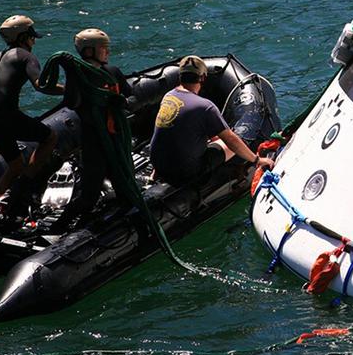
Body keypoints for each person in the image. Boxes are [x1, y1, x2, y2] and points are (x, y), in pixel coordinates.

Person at [46, 28, 132, 233]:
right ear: (90, 51)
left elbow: (129, 97)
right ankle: (59, 227)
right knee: (89, 194)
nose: (108, 53)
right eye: (104, 49)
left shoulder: (113, 73)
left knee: (124, 186)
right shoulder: (79, 77)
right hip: (94, 141)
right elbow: (72, 102)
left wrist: (119, 102)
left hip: (116, 140)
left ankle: (122, 221)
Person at [0, 15, 62, 217]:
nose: (34, 41)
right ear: (23, 37)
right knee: (50, 136)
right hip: (8, 117)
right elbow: (41, 86)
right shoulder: (26, 56)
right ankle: (26, 182)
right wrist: (70, 90)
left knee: (14, 165)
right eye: (32, 37)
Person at [149, 56, 274, 185]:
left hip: (158, 164)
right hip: (184, 172)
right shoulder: (205, 107)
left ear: (180, 76)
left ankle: (155, 173)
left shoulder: (169, 96)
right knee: (234, 139)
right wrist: (257, 159)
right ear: (203, 78)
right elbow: (231, 140)